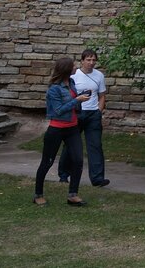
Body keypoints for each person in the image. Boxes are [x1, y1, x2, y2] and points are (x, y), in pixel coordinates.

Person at [33, 56, 89, 207]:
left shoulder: (71, 83)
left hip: (72, 128)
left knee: (78, 160)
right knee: (47, 162)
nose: (75, 67)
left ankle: (73, 195)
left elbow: (72, 103)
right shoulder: (54, 89)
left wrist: (79, 100)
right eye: (73, 66)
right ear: (66, 69)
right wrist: (77, 100)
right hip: (57, 129)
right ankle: (38, 194)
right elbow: (57, 111)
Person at [57, 48, 109, 187]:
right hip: (76, 114)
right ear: (82, 61)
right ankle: (63, 174)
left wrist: (99, 110)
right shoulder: (74, 76)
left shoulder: (99, 75)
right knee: (71, 145)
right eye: (88, 60)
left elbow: (102, 95)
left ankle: (97, 179)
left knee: (95, 146)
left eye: (94, 60)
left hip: (93, 115)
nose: (91, 63)